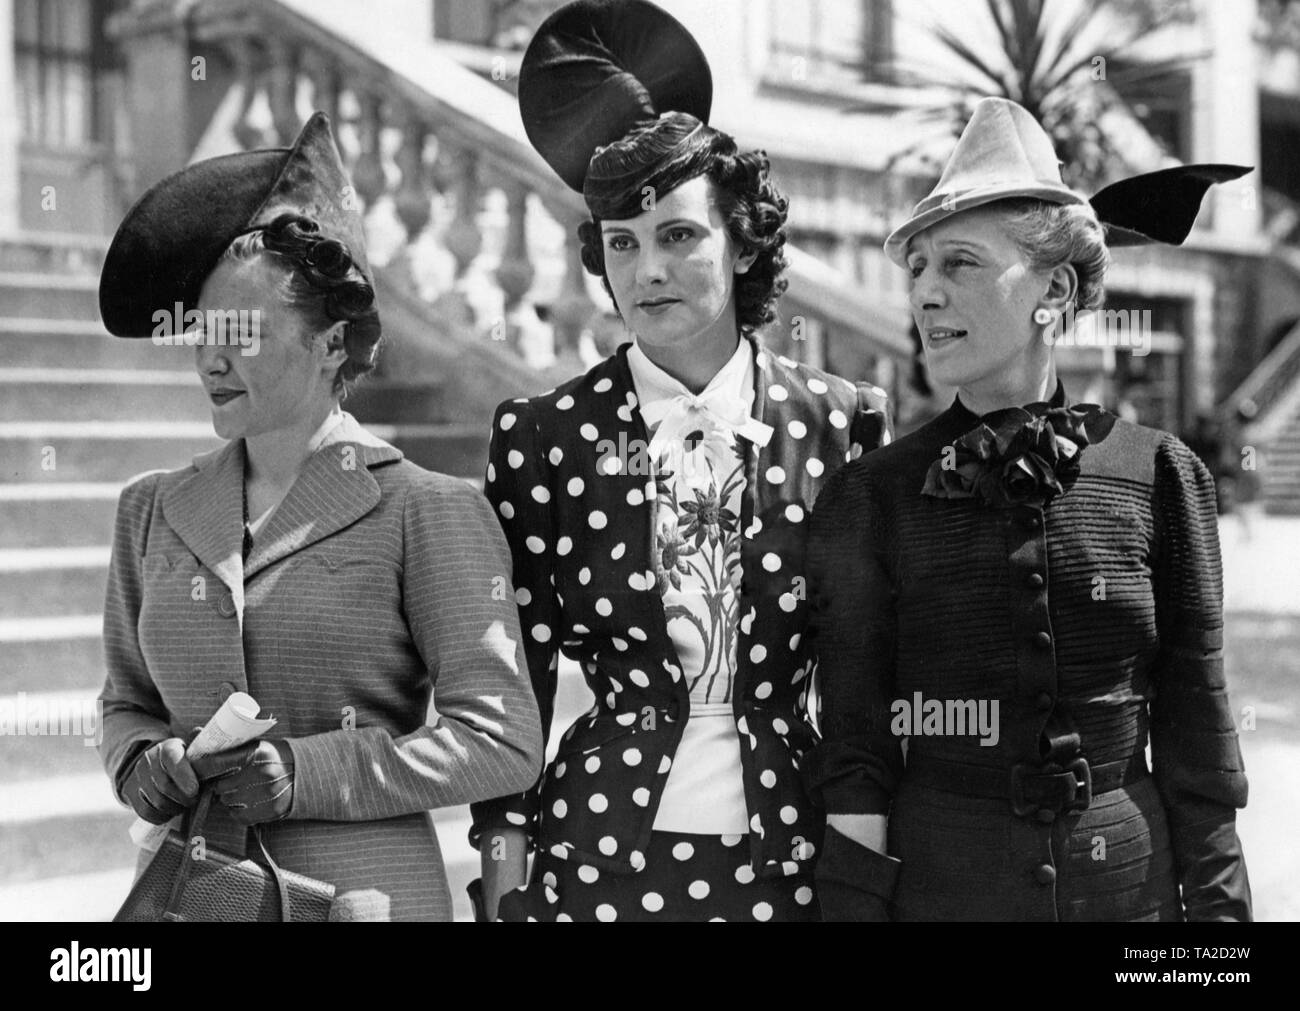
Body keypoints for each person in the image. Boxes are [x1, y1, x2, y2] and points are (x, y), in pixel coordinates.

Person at [468, 0, 891, 922]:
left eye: (678, 235)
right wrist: (503, 882)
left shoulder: (841, 424)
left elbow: (865, 675)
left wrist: (865, 874)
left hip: (795, 854)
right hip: (595, 862)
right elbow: (517, 680)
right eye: (621, 244)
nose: (646, 269)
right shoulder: (545, 437)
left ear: (741, 243)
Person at [806, 97, 1252, 922]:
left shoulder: (1162, 475)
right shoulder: (873, 497)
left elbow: (1198, 742)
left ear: (1055, 288)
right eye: (919, 270)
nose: (927, 295)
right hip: (942, 893)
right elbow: (858, 754)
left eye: (961, 264)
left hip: (1131, 897)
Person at [96, 113, 543, 921]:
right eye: (203, 331)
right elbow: (124, 700)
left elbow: (502, 740)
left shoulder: (428, 511)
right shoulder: (149, 510)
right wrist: (140, 758)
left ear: (332, 344)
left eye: (245, 332)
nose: (211, 359)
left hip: (363, 902)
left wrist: (308, 771)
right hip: (193, 901)